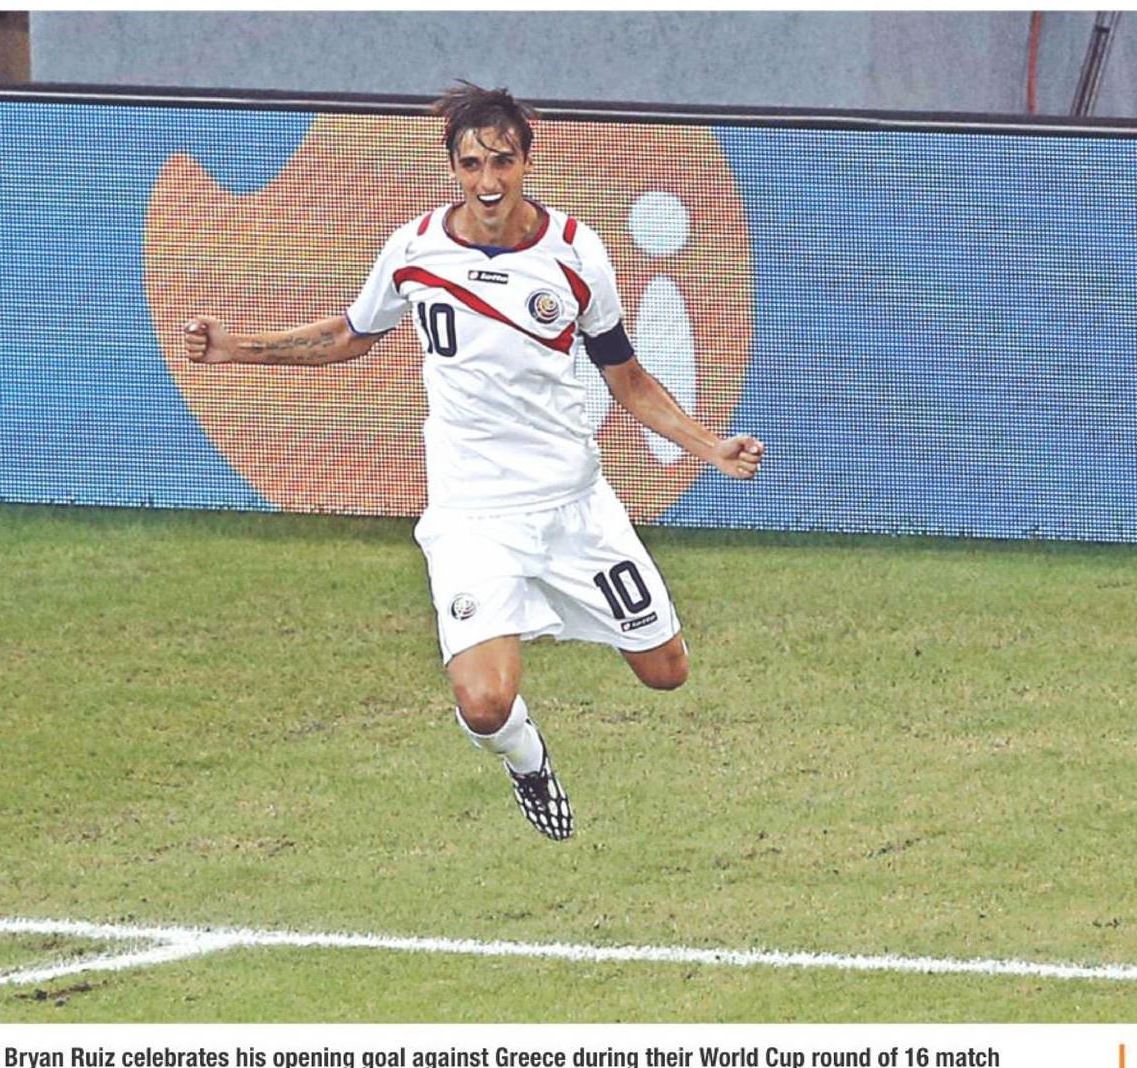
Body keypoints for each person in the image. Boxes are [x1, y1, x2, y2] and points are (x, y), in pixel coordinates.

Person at [185, 82, 764, 841]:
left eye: (501, 161)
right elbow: (350, 335)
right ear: (452, 167)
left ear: (527, 161)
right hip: (473, 518)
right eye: (471, 164)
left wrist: (709, 445)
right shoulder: (416, 249)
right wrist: (239, 346)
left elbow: (627, 378)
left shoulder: (575, 253)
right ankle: (527, 760)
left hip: (574, 509)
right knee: (486, 704)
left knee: (667, 671)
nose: (487, 181)